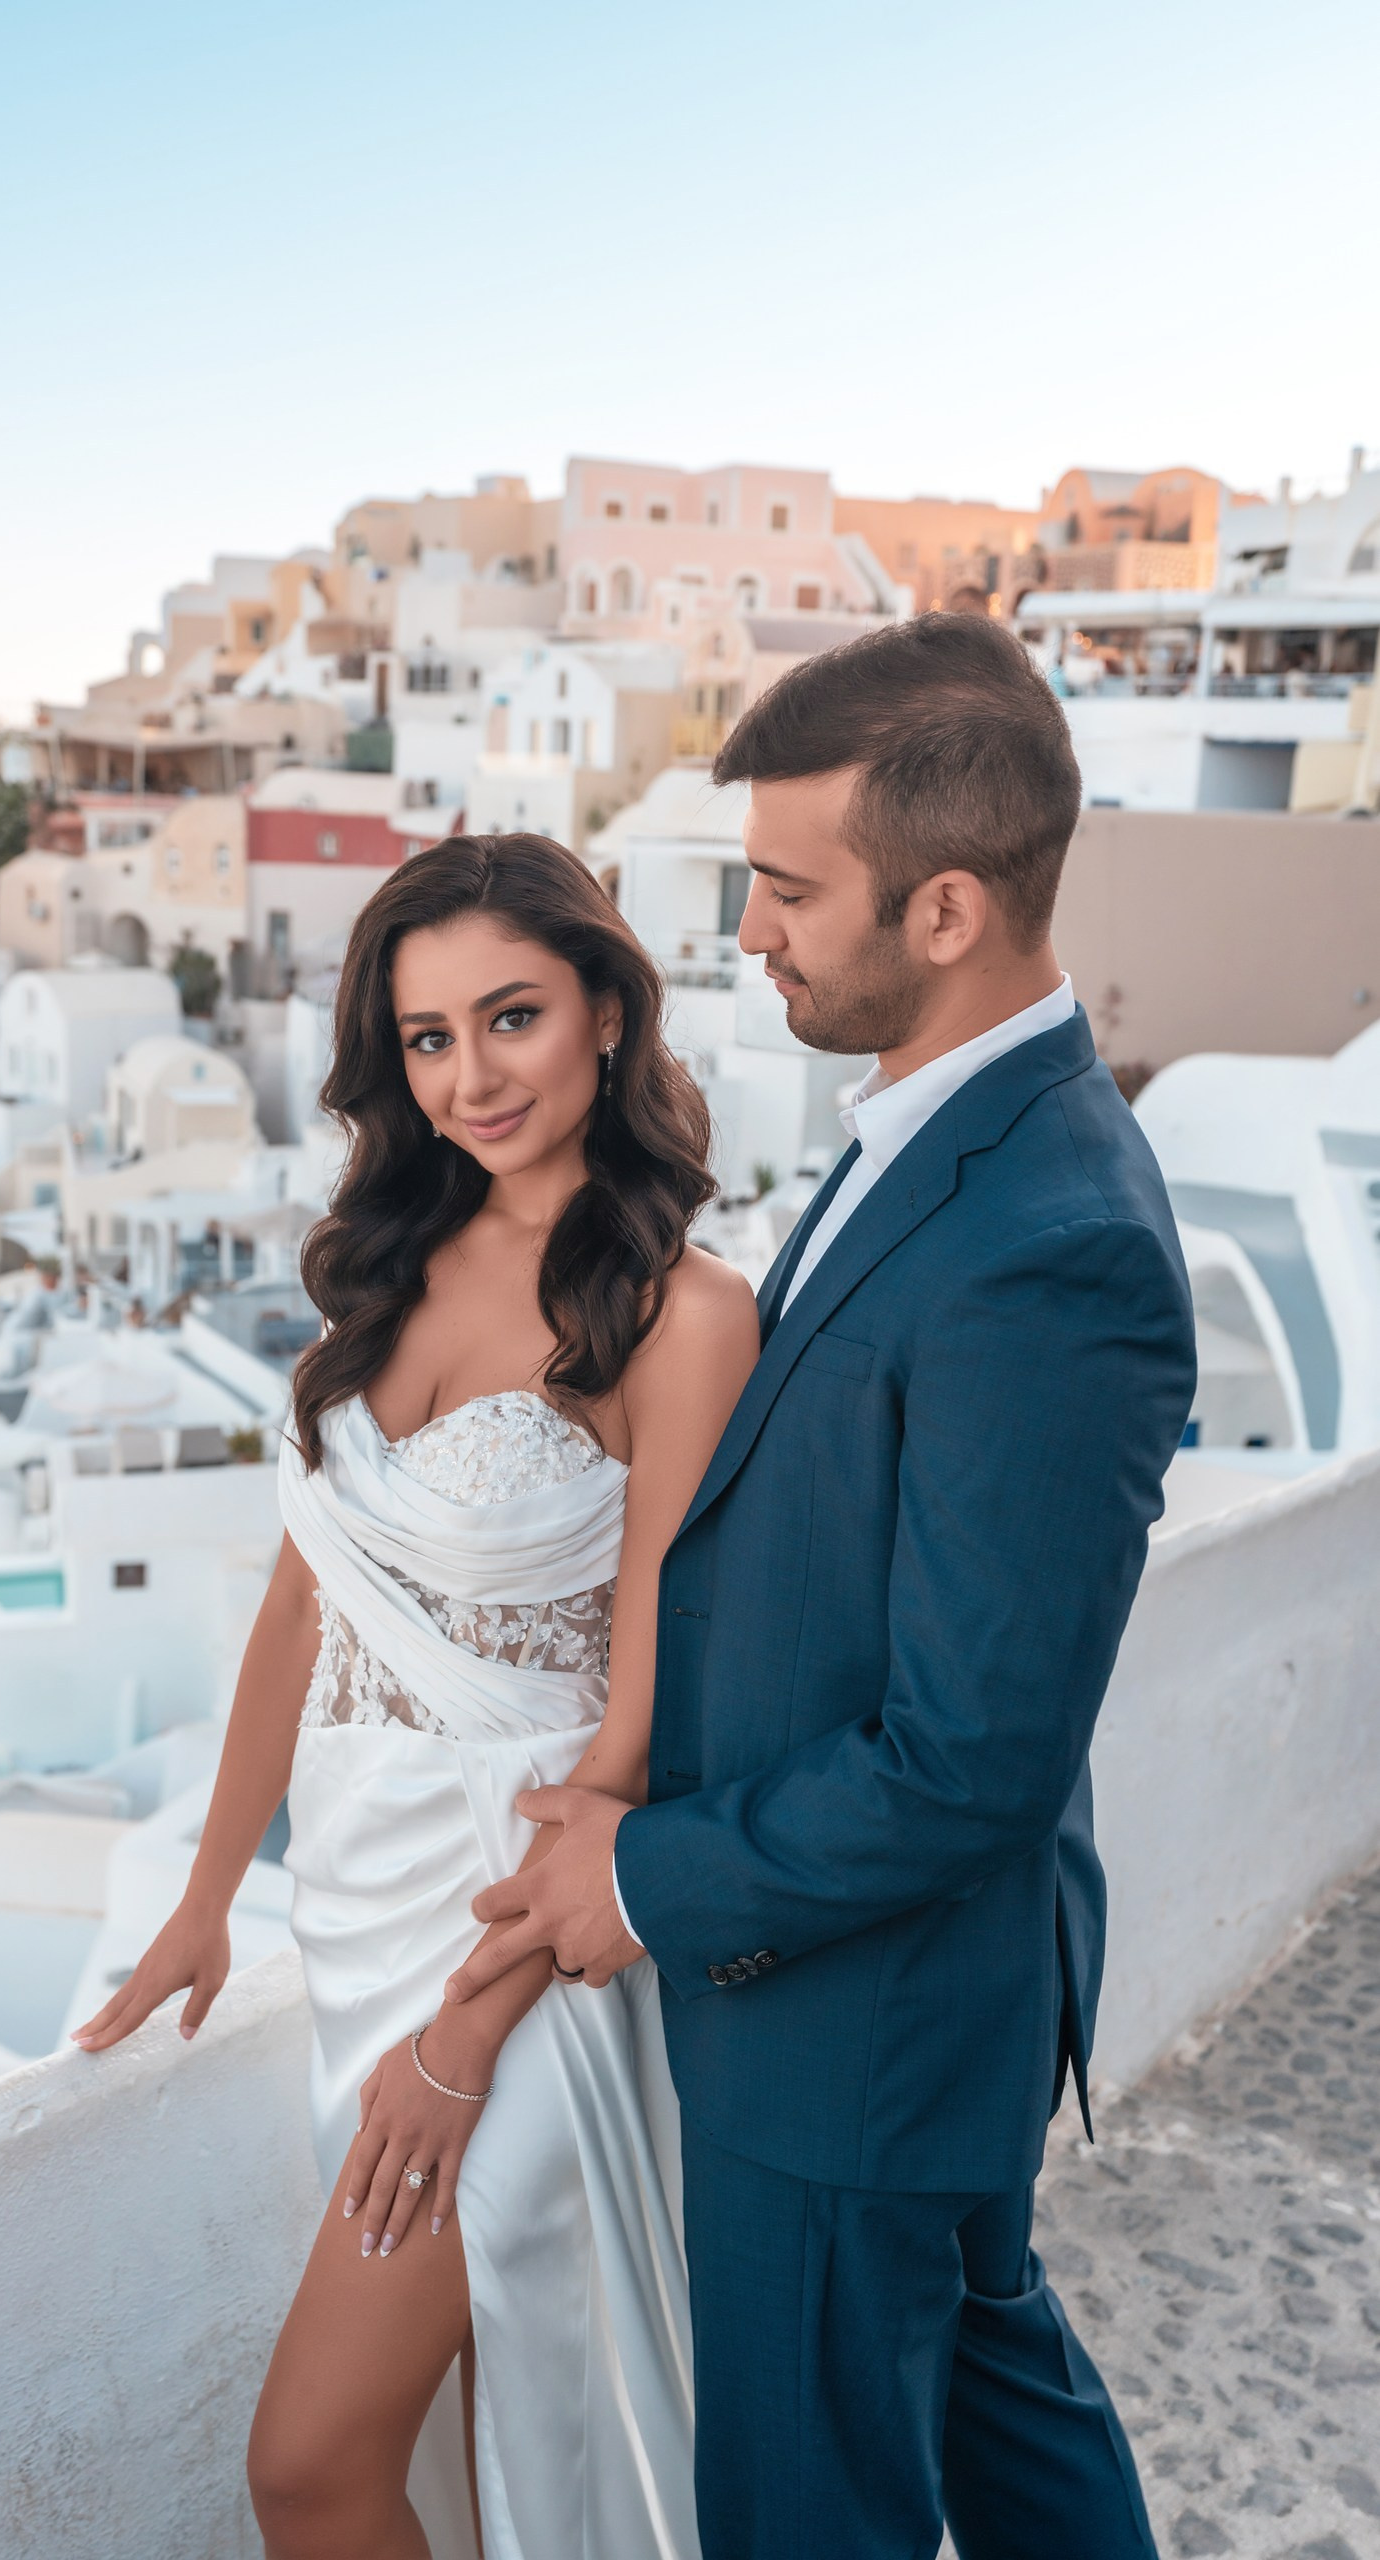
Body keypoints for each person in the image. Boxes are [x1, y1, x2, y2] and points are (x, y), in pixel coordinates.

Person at [446, 615, 1198, 2559]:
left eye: (788, 889)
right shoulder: (944, 1133)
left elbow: (970, 1753)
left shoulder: (1046, 1239)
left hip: (851, 2014)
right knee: (995, 2407)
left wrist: (636, 1872)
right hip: (900, 1998)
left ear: (942, 905)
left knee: (802, 2506)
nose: (751, 932)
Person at [72, 833, 756, 2559]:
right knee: (461, 2434)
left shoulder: (684, 1318)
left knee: (307, 2464)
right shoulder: (390, 1268)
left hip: (515, 1948)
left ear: (606, 1006)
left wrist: (463, 2039)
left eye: (510, 1016)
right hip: (358, 1909)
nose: (470, 1075)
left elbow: (639, 1737)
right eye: (430, 1039)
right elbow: (310, 1608)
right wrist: (209, 1897)